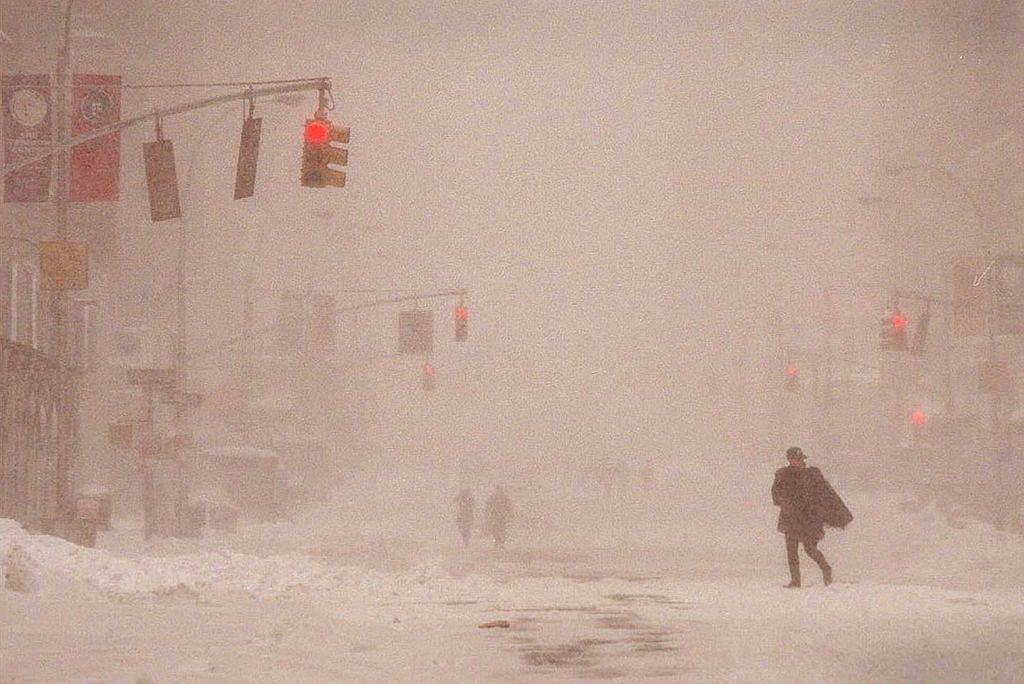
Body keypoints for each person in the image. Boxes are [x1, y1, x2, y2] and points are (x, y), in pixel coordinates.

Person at [771, 446, 852, 588]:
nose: (799, 461)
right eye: (795, 459)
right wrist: (785, 503)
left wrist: (836, 513)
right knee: (791, 551)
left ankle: (826, 568)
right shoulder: (782, 475)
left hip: (808, 519)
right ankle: (795, 581)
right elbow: (775, 495)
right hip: (790, 518)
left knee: (809, 548)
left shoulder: (812, 475)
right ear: (789, 460)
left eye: (800, 458)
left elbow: (827, 493)